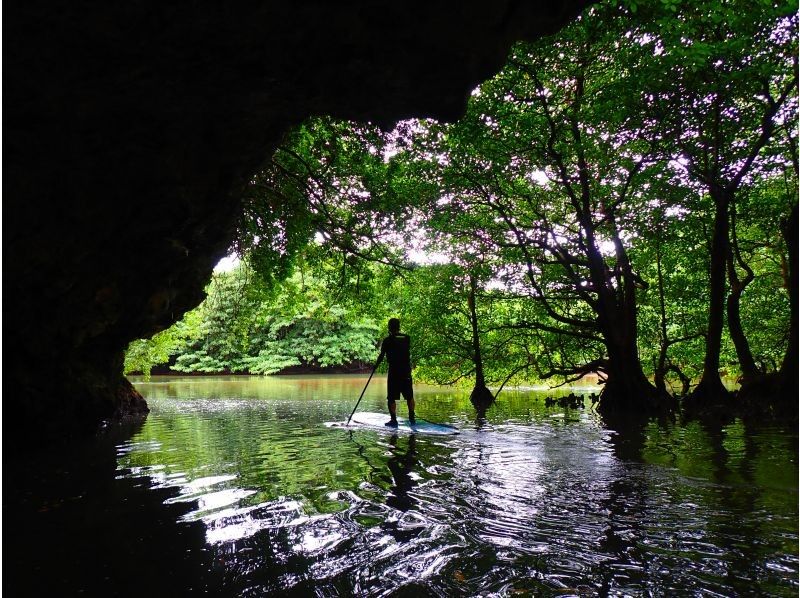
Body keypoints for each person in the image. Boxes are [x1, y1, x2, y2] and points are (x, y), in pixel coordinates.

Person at [375, 318, 415, 427]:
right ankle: (412, 418)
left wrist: (375, 366)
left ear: (389, 327)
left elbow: (382, 355)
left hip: (394, 372)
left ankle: (393, 420)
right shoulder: (407, 338)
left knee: (391, 397)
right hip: (406, 371)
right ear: (398, 326)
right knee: (409, 396)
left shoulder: (387, 340)